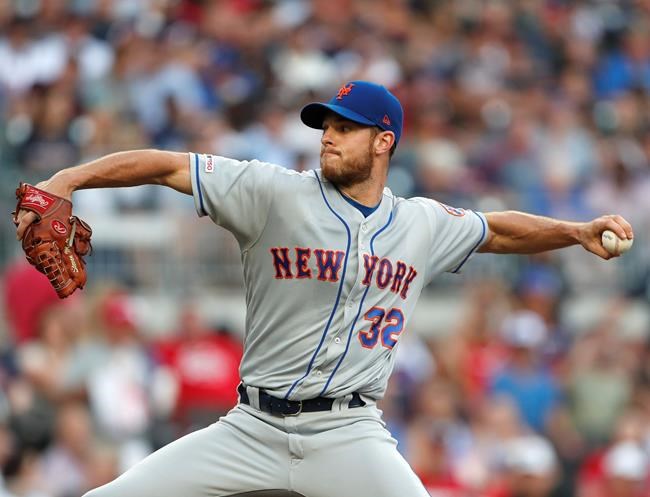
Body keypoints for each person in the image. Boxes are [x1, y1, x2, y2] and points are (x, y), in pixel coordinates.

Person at [14, 81, 634, 497]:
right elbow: (167, 165)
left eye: (348, 127)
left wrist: (575, 231)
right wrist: (71, 177)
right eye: (326, 124)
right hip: (250, 426)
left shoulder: (419, 224)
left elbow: (498, 229)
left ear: (384, 141)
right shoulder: (273, 192)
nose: (329, 135)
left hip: (348, 433)